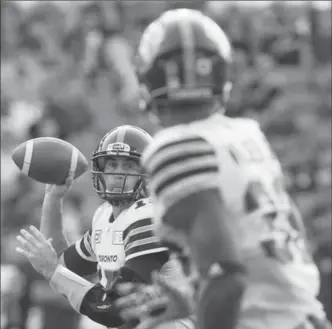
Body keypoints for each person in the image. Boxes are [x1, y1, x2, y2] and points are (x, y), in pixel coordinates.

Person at [113, 9, 331, 329]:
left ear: (148, 80)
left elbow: (225, 275)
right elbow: (278, 240)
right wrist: (190, 298)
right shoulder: (246, 135)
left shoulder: (176, 147)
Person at [16, 125, 194, 329]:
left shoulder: (147, 216)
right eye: (112, 165)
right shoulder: (104, 215)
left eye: (128, 166)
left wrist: (53, 271)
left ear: (147, 172)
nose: (118, 173)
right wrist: (53, 198)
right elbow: (63, 263)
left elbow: (116, 310)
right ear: (102, 171)